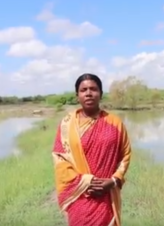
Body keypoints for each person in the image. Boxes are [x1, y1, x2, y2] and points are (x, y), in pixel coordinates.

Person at [52, 73, 132, 226]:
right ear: (77, 96)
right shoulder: (66, 125)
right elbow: (60, 159)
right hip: (80, 196)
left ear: (100, 94)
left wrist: (114, 180)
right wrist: (84, 182)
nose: (88, 93)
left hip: (106, 195)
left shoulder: (115, 123)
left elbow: (125, 155)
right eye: (84, 90)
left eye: (93, 89)